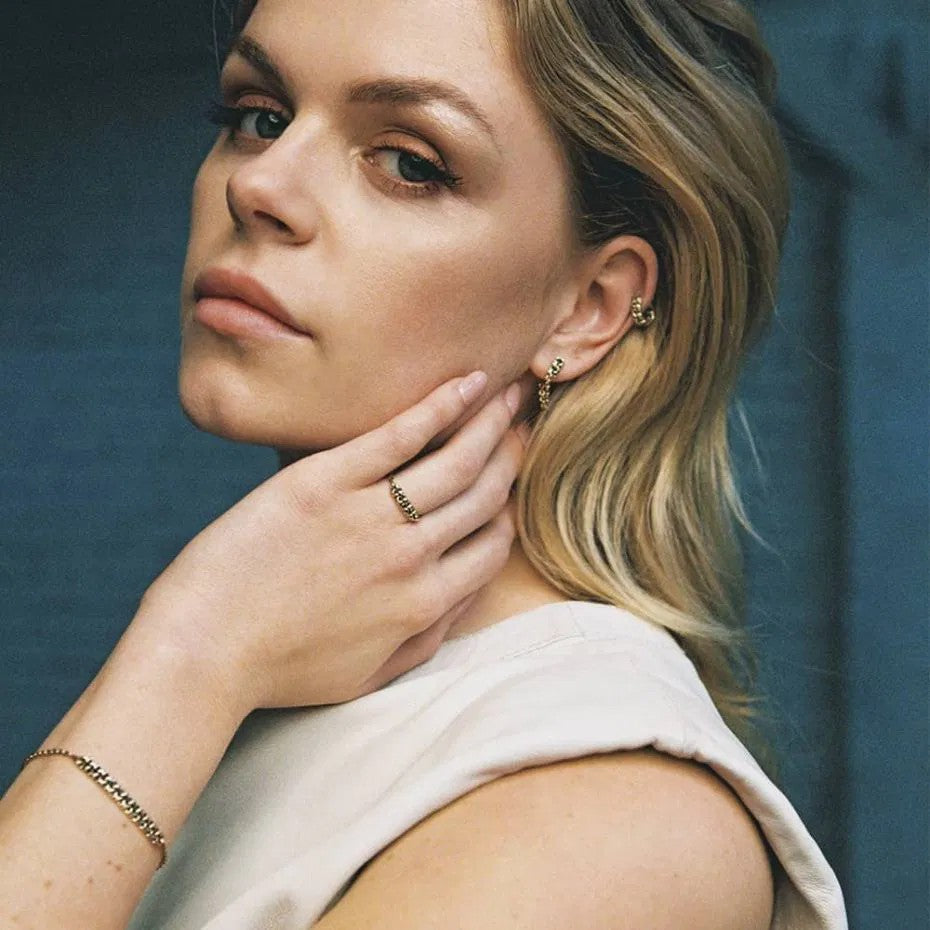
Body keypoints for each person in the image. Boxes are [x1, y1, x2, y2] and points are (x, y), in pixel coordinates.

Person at [0, 0, 849, 927]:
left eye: (409, 163)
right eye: (259, 116)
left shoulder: (612, 825)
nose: (261, 184)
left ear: (590, 307)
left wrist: (191, 653)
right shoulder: (265, 666)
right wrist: (202, 657)